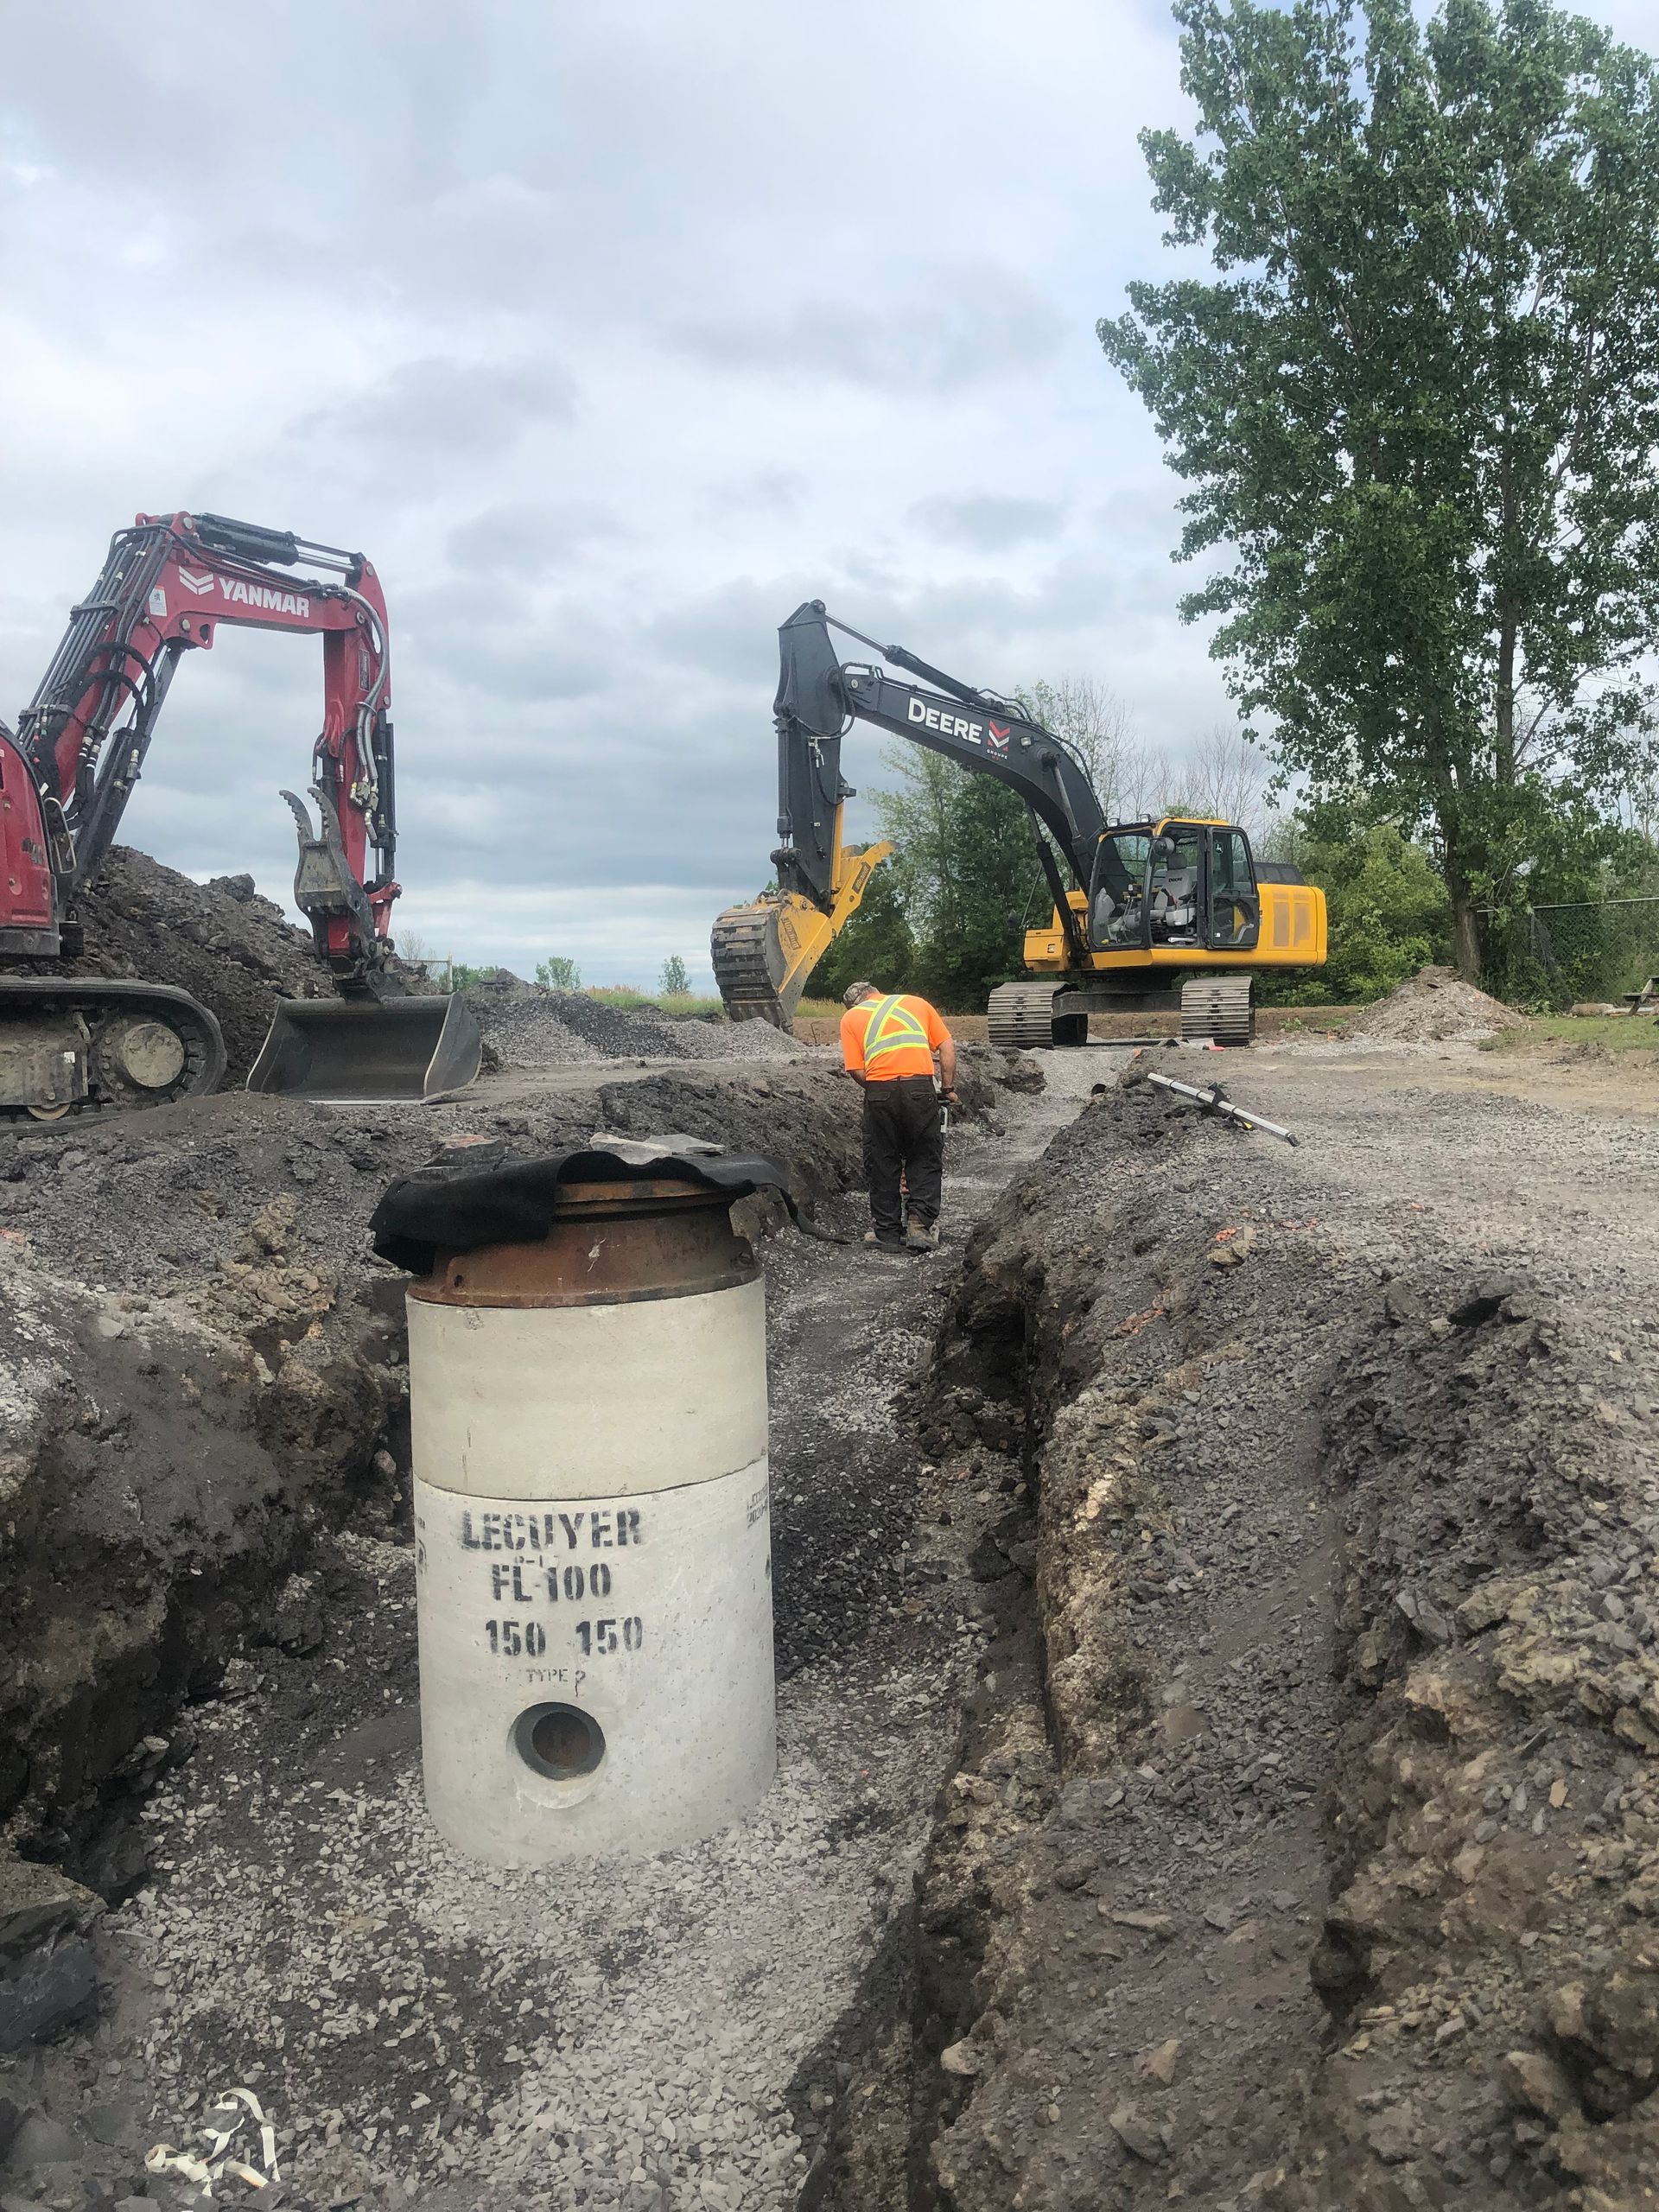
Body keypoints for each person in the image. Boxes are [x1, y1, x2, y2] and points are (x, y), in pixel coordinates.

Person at [838, 981, 957, 1252]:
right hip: (920, 1088)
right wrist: (947, 1089)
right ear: (875, 993)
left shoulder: (851, 1018)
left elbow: (856, 1069)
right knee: (924, 1155)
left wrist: (878, 1090)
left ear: (854, 1004)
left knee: (882, 1159)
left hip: (879, 1090)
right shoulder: (917, 1003)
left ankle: (887, 1233)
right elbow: (947, 1045)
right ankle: (918, 1227)